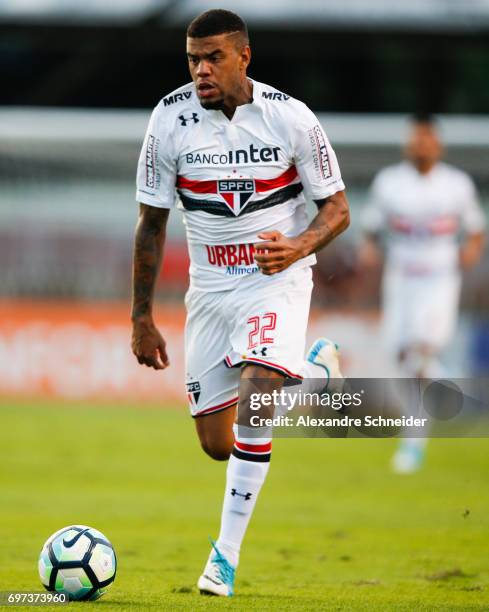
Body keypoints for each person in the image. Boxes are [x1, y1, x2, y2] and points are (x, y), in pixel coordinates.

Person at [131, 9, 349, 596]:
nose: (201, 69)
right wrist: (141, 316)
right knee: (218, 445)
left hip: (275, 279)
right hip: (209, 290)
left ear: (244, 57)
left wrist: (298, 245)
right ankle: (310, 378)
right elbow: (151, 223)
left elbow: (338, 209)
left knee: (257, 391)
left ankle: (223, 558)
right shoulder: (169, 119)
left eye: (214, 58)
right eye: (193, 59)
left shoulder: (290, 117)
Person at [360, 115, 486, 473]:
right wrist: (369, 249)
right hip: (400, 280)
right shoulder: (389, 183)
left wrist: (472, 250)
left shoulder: (456, 185)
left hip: (439, 281)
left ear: (438, 145)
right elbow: (372, 227)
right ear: (408, 145)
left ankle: (414, 441)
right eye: (415, 140)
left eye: (427, 140)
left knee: (419, 352)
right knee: (403, 361)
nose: (421, 146)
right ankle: (453, 387)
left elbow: (475, 229)